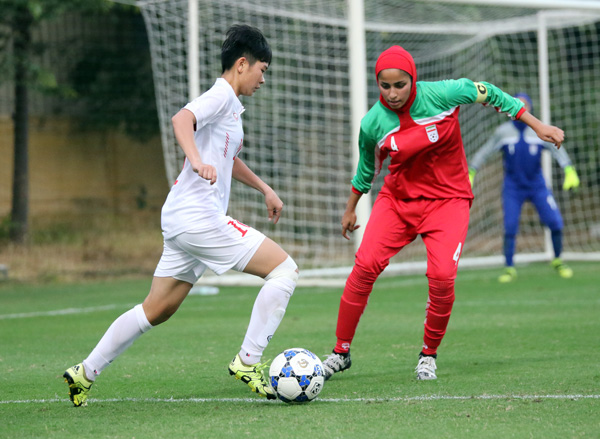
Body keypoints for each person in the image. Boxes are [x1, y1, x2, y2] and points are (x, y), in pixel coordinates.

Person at [63, 24, 297, 406]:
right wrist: (195, 160)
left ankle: (84, 372)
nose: (263, 79)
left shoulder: (230, 107)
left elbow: (226, 158)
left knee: (156, 310)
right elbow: (181, 119)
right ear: (242, 64)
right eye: (262, 69)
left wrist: (264, 188)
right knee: (285, 270)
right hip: (197, 217)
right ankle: (248, 361)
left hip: (180, 219)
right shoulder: (221, 94)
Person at [321, 46, 564, 382]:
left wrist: (536, 124)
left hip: (448, 202)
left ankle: (428, 355)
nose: (392, 93)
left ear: (413, 79)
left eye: (400, 84)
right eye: (385, 86)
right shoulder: (373, 123)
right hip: (398, 202)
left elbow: (490, 93)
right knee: (364, 267)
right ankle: (340, 352)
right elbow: (367, 169)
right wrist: (350, 209)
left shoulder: (446, 93)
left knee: (442, 277)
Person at [468, 92, 580, 283]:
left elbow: (557, 149)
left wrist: (569, 169)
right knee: (510, 227)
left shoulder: (538, 130)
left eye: (525, 105)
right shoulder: (503, 132)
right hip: (513, 188)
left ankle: (558, 260)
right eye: (517, 104)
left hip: (537, 186)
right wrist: (471, 172)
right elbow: (484, 153)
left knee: (555, 223)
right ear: (509, 108)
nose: (522, 108)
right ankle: (509, 268)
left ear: (530, 107)